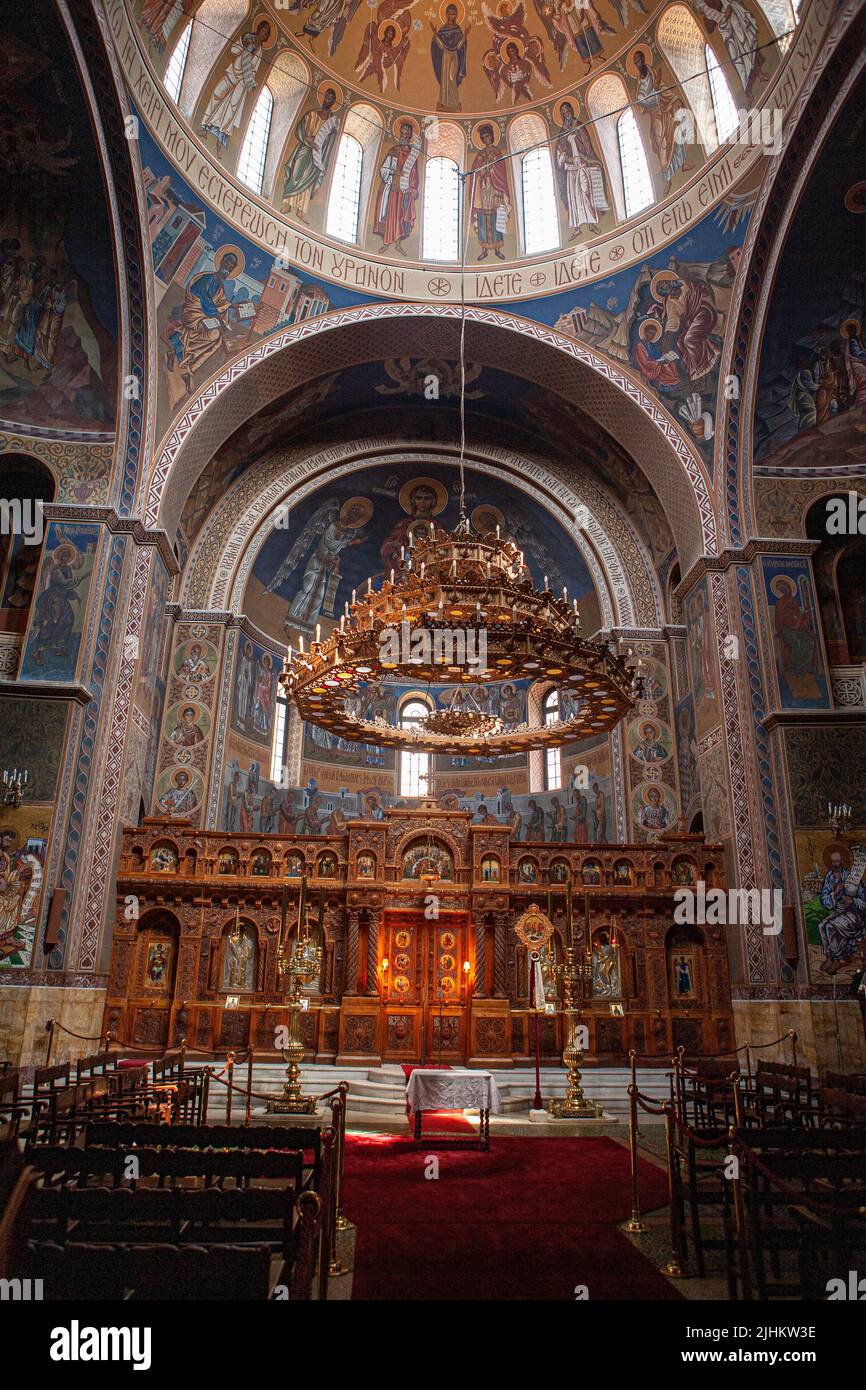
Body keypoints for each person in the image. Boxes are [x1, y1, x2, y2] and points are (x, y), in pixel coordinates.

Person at [201, 21, 272, 152]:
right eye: (263, 31)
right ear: (259, 29)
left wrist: (251, 81)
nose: (264, 34)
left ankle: (220, 136)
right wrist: (242, 43)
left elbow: (254, 70)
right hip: (232, 73)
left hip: (242, 82)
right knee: (217, 94)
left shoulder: (260, 52)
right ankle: (205, 125)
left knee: (231, 108)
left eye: (266, 34)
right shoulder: (247, 38)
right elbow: (234, 50)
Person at [281, 88, 341, 222]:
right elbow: (299, 129)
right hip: (304, 149)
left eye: (330, 98)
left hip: (317, 155)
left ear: (333, 102)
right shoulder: (312, 114)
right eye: (326, 96)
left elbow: (330, 144)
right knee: (295, 174)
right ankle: (287, 204)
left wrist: (331, 134)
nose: (327, 100)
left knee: (308, 182)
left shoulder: (332, 122)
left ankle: (301, 210)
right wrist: (307, 139)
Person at [555, 102, 609, 239]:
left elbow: (587, 145)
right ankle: (577, 228)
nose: (565, 113)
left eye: (567, 110)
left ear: (572, 111)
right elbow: (559, 153)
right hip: (571, 169)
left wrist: (587, 159)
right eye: (563, 112)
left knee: (586, 193)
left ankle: (591, 223)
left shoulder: (579, 126)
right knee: (573, 198)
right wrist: (566, 158)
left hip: (583, 165)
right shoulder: (562, 133)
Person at [374, 121, 422, 254]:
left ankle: (398, 244)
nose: (404, 136)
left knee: (400, 217)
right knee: (389, 215)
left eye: (407, 134)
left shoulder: (412, 156)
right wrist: (394, 172)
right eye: (402, 134)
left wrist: (412, 189)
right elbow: (384, 169)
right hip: (391, 188)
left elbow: (414, 175)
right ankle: (386, 243)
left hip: (403, 191)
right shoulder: (394, 150)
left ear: (410, 136)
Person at [818, 851, 866, 975]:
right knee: (822, 925)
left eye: (838, 861)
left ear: (842, 861)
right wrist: (834, 893)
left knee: (830, 926)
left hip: (854, 915)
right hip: (840, 912)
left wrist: (853, 901)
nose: (836, 864)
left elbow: (864, 902)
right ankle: (830, 957)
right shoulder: (829, 877)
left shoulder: (852, 877)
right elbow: (824, 902)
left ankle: (838, 959)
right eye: (833, 861)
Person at [468, 125, 510, 260]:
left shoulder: (497, 152)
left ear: (491, 136)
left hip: (495, 189)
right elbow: (475, 172)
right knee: (483, 219)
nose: (485, 139)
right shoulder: (480, 155)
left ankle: (497, 249)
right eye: (483, 137)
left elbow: (501, 171)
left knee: (497, 217)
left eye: (487, 136)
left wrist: (491, 170)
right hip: (483, 190)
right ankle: (484, 249)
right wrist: (481, 172)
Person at [430, 6, 469, 112]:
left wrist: (465, 35)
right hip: (445, 56)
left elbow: (460, 46)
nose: (452, 16)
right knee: (445, 79)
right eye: (450, 13)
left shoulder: (457, 29)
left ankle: (453, 102)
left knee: (452, 78)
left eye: (454, 14)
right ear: (446, 14)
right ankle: (444, 102)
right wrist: (435, 33)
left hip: (454, 56)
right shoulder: (443, 29)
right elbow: (440, 46)